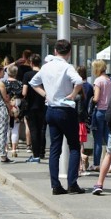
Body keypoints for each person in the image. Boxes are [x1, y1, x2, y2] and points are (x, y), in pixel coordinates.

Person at [29, 39, 85, 195]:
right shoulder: (67, 67)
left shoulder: (46, 67)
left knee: (55, 148)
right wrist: (73, 94)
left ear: (55, 51)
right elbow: (79, 81)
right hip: (66, 110)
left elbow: (34, 83)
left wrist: (46, 94)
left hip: (51, 109)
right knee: (74, 146)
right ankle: (72, 183)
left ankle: (55, 185)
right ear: (69, 52)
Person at [89, 60, 111, 172]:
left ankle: (96, 164)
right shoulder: (109, 80)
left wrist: (91, 100)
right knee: (109, 138)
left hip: (99, 111)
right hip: (108, 112)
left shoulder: (98, 80)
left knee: (97, 139)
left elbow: (96, 98)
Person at [22, 53, 46, 162]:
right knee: (42, 129)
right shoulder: (44, 74)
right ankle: (41, 152)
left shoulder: (27, 75)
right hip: (43, 105)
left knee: (33, 130)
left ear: (31, 63)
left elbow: (24, 92)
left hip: (31, 106)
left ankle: (35, 154)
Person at [4, 65, 24, 158]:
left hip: (6, 106)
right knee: (15, 128)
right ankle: (14, 149)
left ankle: (6, 148)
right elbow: (23, 95)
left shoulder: (3, 83)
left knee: (6, 128)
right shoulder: (20, 83)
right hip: (17, 107)